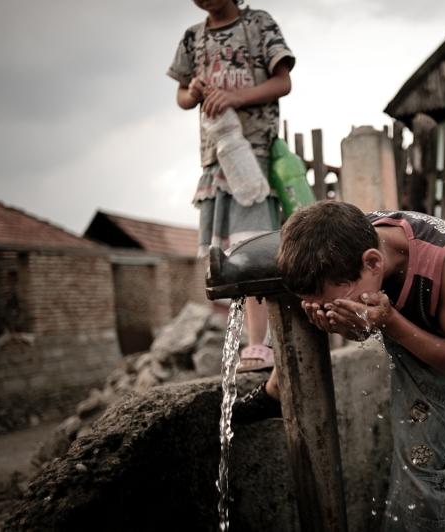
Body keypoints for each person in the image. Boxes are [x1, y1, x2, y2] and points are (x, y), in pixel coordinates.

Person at [235, 200, 445, 531]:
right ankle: (278, 387)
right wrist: (339, 322)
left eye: (335, 302)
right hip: (389, 311)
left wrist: (389, 321)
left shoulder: (442, 261)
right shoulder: (348, 248)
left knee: (420, 469)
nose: (327, 307)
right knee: (301, 286)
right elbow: (360, 329)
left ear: (373, 262)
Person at [167, 0, 294, 372]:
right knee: (228, 257)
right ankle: (249, 342)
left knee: (252, 249)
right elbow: (181, 98)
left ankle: (261, 345)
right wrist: (193, 90)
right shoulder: (193, 38)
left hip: (253, 156)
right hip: (215, 158)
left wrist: (234, 97)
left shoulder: (258, 24)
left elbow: (283, 81)